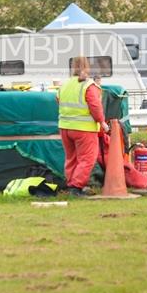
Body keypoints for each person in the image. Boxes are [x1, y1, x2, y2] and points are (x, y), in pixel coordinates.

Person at [56, 56, 109, 197]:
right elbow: (95, 105)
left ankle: (71, 184)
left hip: (65, 127)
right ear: (87, 67)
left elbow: (58, 100)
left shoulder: (65, 84)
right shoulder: (88, 85)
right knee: (87, 158)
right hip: (84, 128)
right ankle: (76, 187)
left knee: (71, 157)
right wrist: (102, 121)